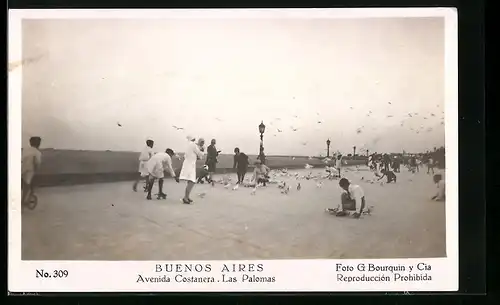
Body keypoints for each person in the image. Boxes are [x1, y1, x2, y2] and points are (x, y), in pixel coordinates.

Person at [179, 136, 205, 204]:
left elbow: (189, 155)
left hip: (188, 164)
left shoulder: (188, 145)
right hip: (190, 165)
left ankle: (187, 196)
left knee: (190, 181)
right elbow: (200, 155)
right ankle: (185, 197)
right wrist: (202, 151)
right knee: (192, 181)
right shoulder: (193, 145)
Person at [21, 136, 42, 207]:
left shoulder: (25, 150)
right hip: (29, 170)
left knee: (25, 184)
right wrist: (37, 170)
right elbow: (37, 163)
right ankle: (23, 201)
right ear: (38, 144)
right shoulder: (37, 152)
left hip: (22, 168)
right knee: (27, 184)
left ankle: (25, 198)